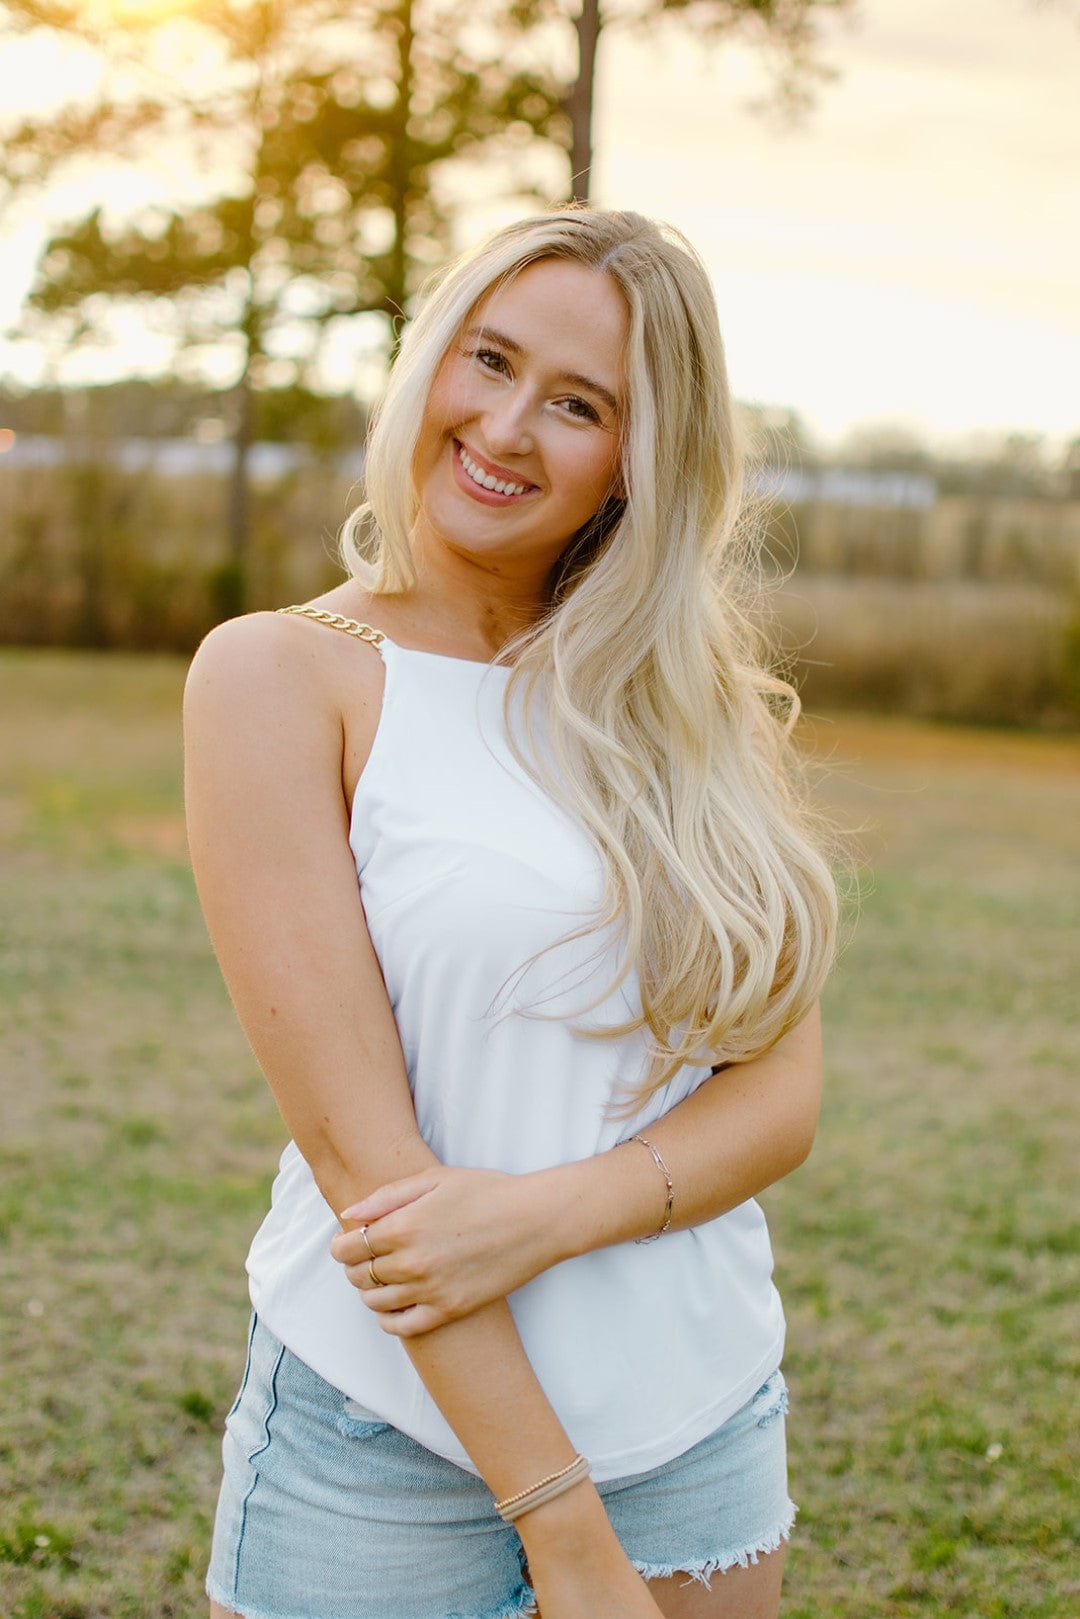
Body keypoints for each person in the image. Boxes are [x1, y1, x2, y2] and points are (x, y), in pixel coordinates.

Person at [184, 205, 838, 1619]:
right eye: (488, 359)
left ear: (634, 463)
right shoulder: (281, 676)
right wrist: (567, 1533)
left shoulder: (687, 704)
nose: (505, 426)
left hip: (696, 1417)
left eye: (579, 404)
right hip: (385, 1433)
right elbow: (373, 1168)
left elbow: (780, 1090)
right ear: (431, 361)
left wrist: (545, 1216)